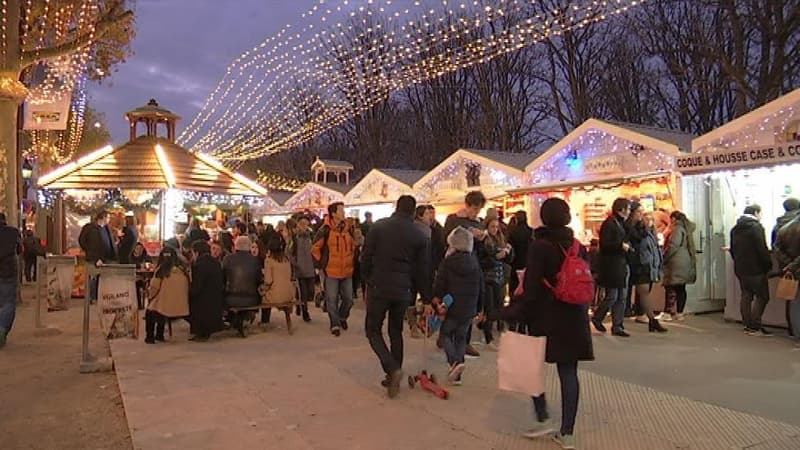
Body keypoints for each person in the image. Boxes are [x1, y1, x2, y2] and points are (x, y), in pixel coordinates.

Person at [519, 198, 594, 450]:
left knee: (531, 366)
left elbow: (530, 288)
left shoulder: (539, 246)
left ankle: (542, 417)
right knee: (569, 372)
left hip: (544, 316)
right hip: (574, 315)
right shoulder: (577, 246)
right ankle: (567, 432)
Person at [361, 195, 430, 397]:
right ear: (413, 211)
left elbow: (366, 256)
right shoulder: (419, 236)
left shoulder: (379, 227)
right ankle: (394, 375)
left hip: (379, 286)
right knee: (395, 330)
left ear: (396, 207)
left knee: (373, 330)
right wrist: (426, 297)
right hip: (403, 290)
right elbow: (422, 270)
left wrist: (367, 278)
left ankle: (392, 369)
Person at [432, 226, 482, 386]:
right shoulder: (475, 263)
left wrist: (437, 300)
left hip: (452, 306)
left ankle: (454, 362)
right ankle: (457, 375)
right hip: (469, 308)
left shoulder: (447, 263)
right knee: (461, 338)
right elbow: (482, 287)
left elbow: (439, 284)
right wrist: (480, 308)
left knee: (446, 334)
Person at [443, 190, 488, 358]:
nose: (476, 212)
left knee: (469, 304)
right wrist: (467, 231)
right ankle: (448, 336)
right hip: (453, 265)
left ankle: (463, 341)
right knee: (452, 301)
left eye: (479, 209)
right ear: (467, 205)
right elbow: (446, 238)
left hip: (472, 266)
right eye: (474, 208)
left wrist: (482, 239)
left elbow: (483, 250)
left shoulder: (480, 223)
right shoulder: (454, 219)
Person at [312, 202, 356, 337]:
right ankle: (335, 323)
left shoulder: (349, 228)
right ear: (334, 213)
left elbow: (354, 246)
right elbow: (315, 248)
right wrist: (322, 264)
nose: (344, 212)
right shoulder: (325, 229)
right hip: (331, 271)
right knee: (331, 299)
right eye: (341, 210)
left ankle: (342, 317)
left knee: (349, 299)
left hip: (347, 270)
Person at [729, 204, 773, 336]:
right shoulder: (756, 227)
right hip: (756, 268)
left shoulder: (735, 228)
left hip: (741, 268)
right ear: (756, 213)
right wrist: (767, 265)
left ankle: (747, 324)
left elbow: (732, 249)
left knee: (746, 295)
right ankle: (755, 326)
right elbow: (762, 248)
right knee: (762, 296)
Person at [592, 198, 633, 337]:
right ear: (620, 209)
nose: (629, 212)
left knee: (621, 296)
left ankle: (617, 325)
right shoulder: (609, 224)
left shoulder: (621, 223)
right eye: (627, 209)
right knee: (612, 296)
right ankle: (598, 317)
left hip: (620, 264)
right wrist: (620, 246)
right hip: (612, 265)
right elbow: (605, 245)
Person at [626, 207, 667, 332]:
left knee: (644, 292)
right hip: (640, 265)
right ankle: (652, 320)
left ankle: (650, 320)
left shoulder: (646, 231)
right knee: (643, 292)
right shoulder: (632, 229)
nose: (642, 215)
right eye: (639, 212)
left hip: (647, 265)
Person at [479, 217, 514, 349]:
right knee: (489, 308)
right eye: (492, 226)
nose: (495, 229)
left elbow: (508, 259)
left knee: (499, 306)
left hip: (500, 278)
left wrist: (507, 253)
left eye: (496, 226)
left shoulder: (501, 239)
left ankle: (491, 330)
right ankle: (488, 338)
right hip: (488, 278)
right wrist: (496, 257)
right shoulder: (484, 240)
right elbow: (483, 259)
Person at [145, 247, 190, 344]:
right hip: (181, 307)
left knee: (151, 310)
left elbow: (153, 288)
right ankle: (159, 335)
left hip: (165, 308)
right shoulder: (182, 270)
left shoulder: (161, 271)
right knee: (159, 304)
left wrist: (149, 296)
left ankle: (150, 337)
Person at [222, 236, 263, 336]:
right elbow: (259, 280)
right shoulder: (254, 260)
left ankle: (235, 320)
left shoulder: (227, 259)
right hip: (251, 299)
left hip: (230, 298)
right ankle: (242, 319)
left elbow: (223, 278)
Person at [662, 211, 697, 321]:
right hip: (684, 261)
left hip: (675, 262)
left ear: (673, 219)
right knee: (681, 288)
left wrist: (664, 257)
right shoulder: (687, 229)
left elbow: (673, 245)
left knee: (670, 287)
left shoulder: (677, 229)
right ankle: (679, 313)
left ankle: (667, 313)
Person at [189, 241, 225, 341]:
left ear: (196, 253)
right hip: (216, 300)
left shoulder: (199, 265)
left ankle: (201, 332)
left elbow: (197, 287)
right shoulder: (216, 263)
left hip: (204, 303)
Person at [774, 213, 800, 337]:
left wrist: (788, 265)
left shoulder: (784, 228)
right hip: (794, 268)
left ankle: (795, 331)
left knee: (793, 302)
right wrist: (793, 265)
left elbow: (776, 249)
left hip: (790, 271)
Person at [0, 212, 22, 349]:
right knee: (8, 302)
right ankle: (2, 329)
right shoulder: (13, 232)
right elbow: (19, 249)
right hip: (8, 271)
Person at [291, 217, 315, 322]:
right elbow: (290, 253)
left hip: (310, 269)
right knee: (303, 293)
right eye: (302, 224)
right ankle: (305, 312)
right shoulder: (295, 238)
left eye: (306, 224)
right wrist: (296, 264)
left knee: (311, 292)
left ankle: (299, 304)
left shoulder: (312, 237)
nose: (304, 226)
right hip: (300, 270)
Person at [263, 236, 295, 311]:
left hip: (276, 296)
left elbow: (268, 281)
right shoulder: (286, 259)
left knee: (262, 295)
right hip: (289, 294)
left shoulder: (269, 260)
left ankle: (265, 319)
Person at [508, 210, 533, 299]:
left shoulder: (512, 232)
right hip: (528, 262)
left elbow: (510, 248)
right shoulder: (531, 232)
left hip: (515, 262)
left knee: (515, 287)